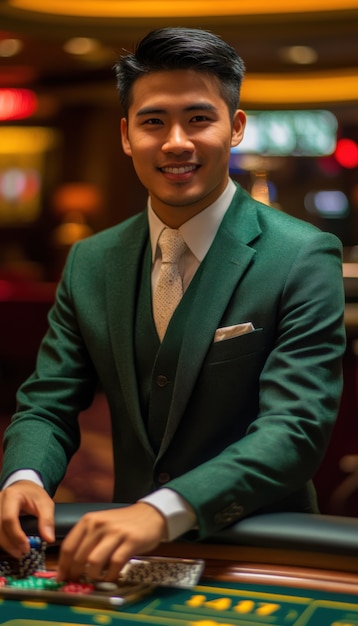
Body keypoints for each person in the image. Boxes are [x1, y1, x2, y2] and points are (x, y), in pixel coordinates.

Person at [0, 27, 345, 583]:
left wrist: (161, 510)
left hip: (265, 551)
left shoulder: (302, 254)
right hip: (129, 556)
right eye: (153, 121)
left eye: (199, 119)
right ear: (126, 134)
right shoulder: (91, 259)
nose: (176, 142)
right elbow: (48, 402)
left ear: (235, 128)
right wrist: (24, 477)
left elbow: (295, 427)